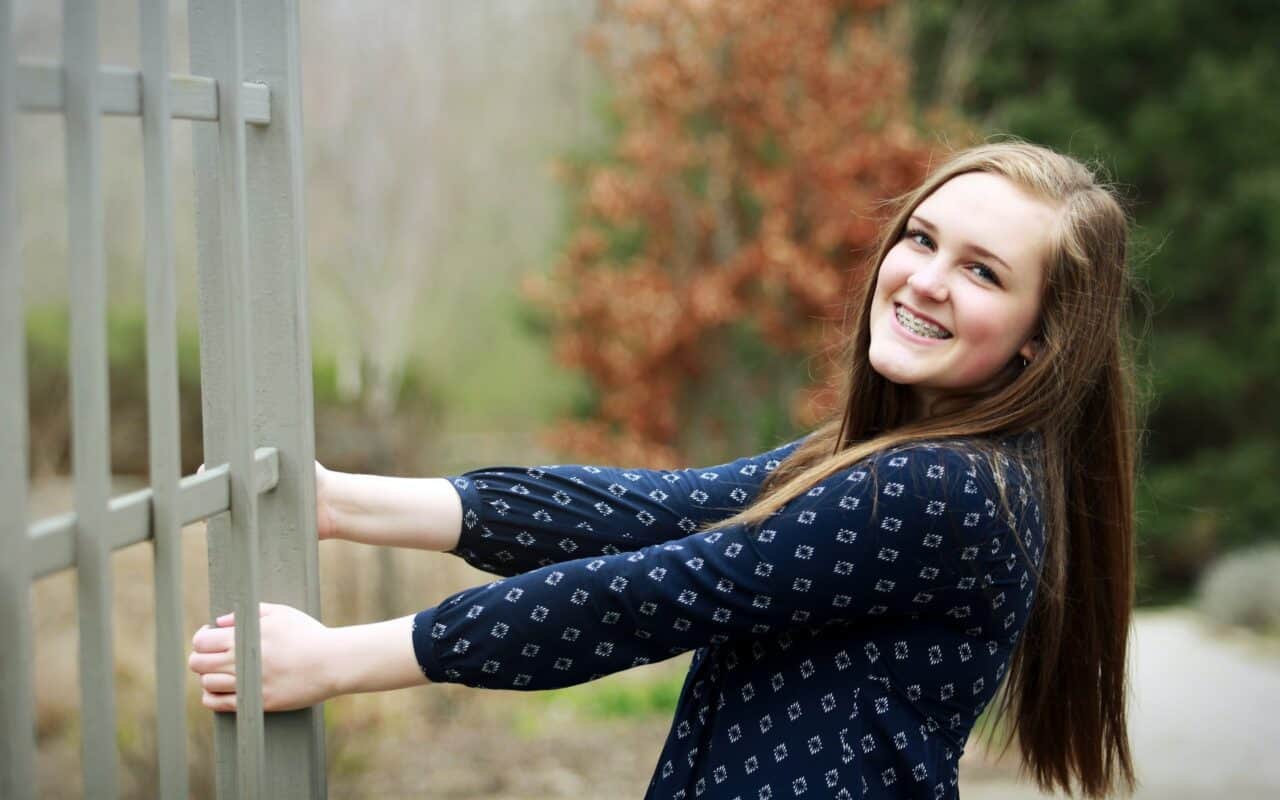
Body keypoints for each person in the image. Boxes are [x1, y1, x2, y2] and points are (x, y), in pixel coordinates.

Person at [189, 140, 1139, 799]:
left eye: (984, 272)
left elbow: (643, 597)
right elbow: (649, 512)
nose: (925, 277)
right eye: (923, 239)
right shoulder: (878, 457)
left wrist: (338, 660)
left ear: (1039, 342)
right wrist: (342, 501)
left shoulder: (943, 490)